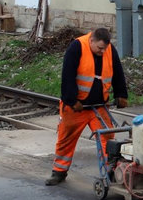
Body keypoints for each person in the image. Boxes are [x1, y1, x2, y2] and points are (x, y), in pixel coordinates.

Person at [46, 27, 128, 185]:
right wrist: (71, 100)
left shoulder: (109, 50)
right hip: (77, 107)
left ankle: (111, 172)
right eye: (99, 48)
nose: (102, 52)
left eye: (105, 48)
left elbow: (117, 71)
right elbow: (67, 75)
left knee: (107, 139)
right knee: (66, 138)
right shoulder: (76, 47)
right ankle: (59, 172)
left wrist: (121, 94)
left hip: (98, 106)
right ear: (91, 40)